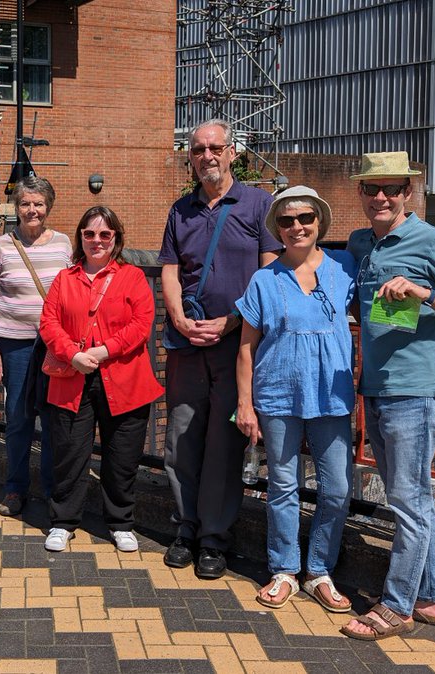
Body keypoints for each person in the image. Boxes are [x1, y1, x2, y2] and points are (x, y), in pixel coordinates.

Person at [340, 152, 435, 640]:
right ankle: (429, 598)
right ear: (361, 194)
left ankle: (397, 605)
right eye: (371, 189)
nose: (381, 197)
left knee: (407, 501)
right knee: (416, 501)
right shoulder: (363, 243)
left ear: (409, 192)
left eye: (392, 188)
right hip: (377, 388)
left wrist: (426, 295)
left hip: (417, 390)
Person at [159, 119, 282, 579]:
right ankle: (185, 527)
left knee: (223, 446)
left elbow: (269, 274)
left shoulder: (258, 204)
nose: (206, 156)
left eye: (215, 148)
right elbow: (169, 270)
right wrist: (178, 318)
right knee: (182, 440)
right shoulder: (181, 210)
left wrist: (231, 321)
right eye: (197, 150)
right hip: (188, 344)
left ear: (233, 152)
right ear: (189, 157)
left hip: (237, 348)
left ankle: (214, 538)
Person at [233, 186, 355, 611]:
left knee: (337, 488)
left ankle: (319, 570)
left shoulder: (344, 268)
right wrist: (245, 405)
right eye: (286, 221)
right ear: (277, 229)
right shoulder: (263, 279)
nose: (297, 227)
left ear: (319, 222)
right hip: (279, 394)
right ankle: (284, 568)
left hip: (332, 395)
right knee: (283, 486)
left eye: (305, 218)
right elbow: (246, 347)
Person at [38, 206, 162, 553]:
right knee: (70, 453)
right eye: (89, 234)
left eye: (105, 234)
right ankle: (63, 521)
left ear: (116, 239)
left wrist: (103, 351)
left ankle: (121, 522)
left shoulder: (132, 277)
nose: (97, 241)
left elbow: (141, 323)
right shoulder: (66, 278)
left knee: (121, 456)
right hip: (72, 375)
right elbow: (49, 322)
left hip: (123, 378)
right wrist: (72, 354)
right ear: (80, 238)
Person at [0, 175, 72, 517]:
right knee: (18, 419)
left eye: (38, 204)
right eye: (24, 204)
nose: (31, 210)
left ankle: (51, 490)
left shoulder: (64, 244)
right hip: (14, 346)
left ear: (48, 207)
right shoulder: (1, 246)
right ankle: (16, 488)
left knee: (52, 420)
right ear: (16, 208)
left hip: (53, 346)